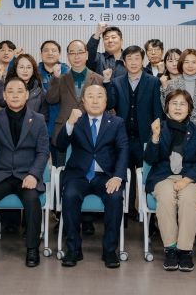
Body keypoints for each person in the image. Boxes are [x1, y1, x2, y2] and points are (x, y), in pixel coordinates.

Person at [0, 77, 50, 268]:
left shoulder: (38, 119)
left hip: (27, 175)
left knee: (32, 200)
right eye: (10, 91)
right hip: (1, 174)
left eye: (19, 91)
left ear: (26, 95)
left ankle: (32, 249)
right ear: (4, 95)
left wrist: (34, 175)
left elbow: (43, 152)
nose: (15, 95)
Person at [55, 85, 129, 269]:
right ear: (83, 100)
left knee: (115, 197)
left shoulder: (117, 122)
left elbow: (123, 150)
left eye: (99, 96)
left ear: (106, 101)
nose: (95, 100)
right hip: (78, 175)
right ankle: (73, 249)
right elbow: (60, 145)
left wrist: (118, 176)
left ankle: (109, 250)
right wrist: (69, 123)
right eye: (90, 96)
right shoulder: (76, 120)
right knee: (69, 195)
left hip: (106, 176)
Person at [144, 90, 196, 272]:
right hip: (163, 176)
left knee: (188, 198)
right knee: (166, 196)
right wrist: (155, 137)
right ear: (167, 108)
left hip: (190, 177)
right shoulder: (160, 128)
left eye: (182, 104)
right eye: (174, 103)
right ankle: (170, 249)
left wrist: (186, 180)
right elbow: (150, 159)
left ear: (189, 109)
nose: (178, 107)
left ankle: (185, 250)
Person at [45, 40, 104, 235]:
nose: (76, 56)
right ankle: (62, 216)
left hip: (90, 133)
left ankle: (87, 219)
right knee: (62, 173)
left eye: (80, 52)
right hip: (64, 131)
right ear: (68, 56)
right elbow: (51, 99)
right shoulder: (61, 78)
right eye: (72, 52)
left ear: (87, 54)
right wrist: (54, 79)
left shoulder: (97, 78)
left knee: (87, 173)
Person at [105, 45, 163, 221]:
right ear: (124, 62)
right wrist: (107, 82)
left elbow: (157, 110)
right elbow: (110, 104)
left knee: (147, 174)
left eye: (137, 58)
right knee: (124, 174)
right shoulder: (117, 82)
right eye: (129, 59)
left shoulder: (153, 81)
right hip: (123, 137)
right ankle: (127, 211)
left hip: (145, 137)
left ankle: (148, 216)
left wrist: (156, 134)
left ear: (142, 60)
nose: (133, 62)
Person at [160, 48, 196, 153]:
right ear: (181, 64)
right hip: (177, 134)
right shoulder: (171, 84)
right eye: (186, 62)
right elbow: (166, 109)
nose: (190, 66)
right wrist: (164, 88)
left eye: (194, 62)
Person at [38, 40, 70, 166]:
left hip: (61, 125)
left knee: (60, 165)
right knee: (40, 164)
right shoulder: (34, 72)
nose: (50, 53)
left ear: (59, 54)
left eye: (54, 50)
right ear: (41, 54)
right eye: (46, 50)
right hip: (40, 125)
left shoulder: (68, 73)